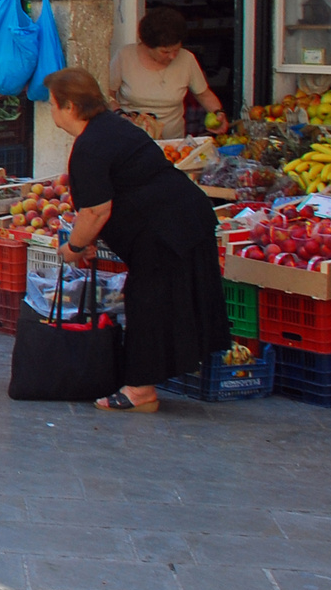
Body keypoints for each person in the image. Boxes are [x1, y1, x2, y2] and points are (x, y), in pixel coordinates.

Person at [46, 66, 230, 411]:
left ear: (69, 107)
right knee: (166, 299)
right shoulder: (112, 127)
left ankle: (140, 391)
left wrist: (73, 248)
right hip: (183, 217)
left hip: (164, 228)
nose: (51, 111)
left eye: (53, 104)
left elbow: (95, 212)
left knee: (147, 301)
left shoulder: (90, 146)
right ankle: (152, 381)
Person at [108, 7, 227, 140]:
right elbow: (107, 94)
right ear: (147, 46)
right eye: (165, 52)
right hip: (131, 138)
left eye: (176, 49)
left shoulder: (187, 59)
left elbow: (204, 95)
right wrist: (120, 114)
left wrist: (218, 112)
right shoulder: (124, 56)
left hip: (173, 142)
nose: (172, 56)